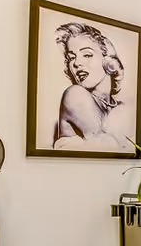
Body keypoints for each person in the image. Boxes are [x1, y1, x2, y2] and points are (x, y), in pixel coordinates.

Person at [54, 22, 134, 152]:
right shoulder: (74, 95)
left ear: (107, 60)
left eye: (87, 55)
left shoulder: (122, 107)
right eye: (71, 58)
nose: (77, 63)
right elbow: (109, 146)